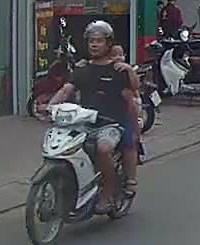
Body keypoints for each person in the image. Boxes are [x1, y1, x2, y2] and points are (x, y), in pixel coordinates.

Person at [48, 21, 139, 213]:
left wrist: (133, 127)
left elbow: (130, 99)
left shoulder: (118, 70)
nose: (94, 45)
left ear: (108, 44)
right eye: (91, 41)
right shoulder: (82, 69)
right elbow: (66, 90)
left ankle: (108, 191)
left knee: (103, 149)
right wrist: (50, 106)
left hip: (110, 124)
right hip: (84, 122)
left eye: (99, 41)